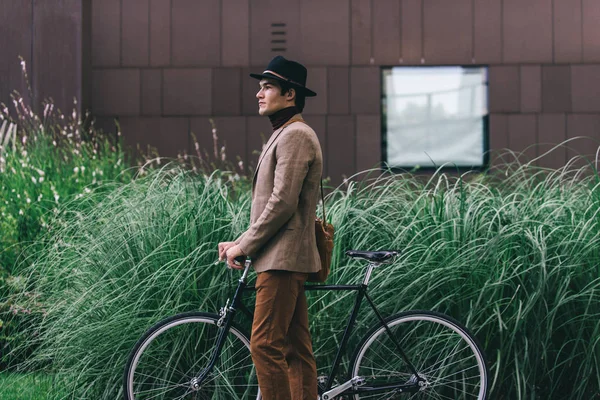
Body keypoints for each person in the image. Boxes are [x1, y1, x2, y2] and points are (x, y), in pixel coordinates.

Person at [218, 55, 322, 400]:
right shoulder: (285, 133)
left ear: (290, 94)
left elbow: (282, 203)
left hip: (282, 260)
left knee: (264, 345)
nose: (259, 94)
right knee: (294, 349)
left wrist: (244, 246)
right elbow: (276, 205)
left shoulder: (296, 135)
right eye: (260, 87)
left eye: (267, 87)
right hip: (281, 257)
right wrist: (242, 240)